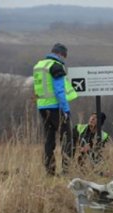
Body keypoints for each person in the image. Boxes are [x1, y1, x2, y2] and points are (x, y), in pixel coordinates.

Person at [33, 43, 78, 175]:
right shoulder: (56, 66)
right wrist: (66, 110)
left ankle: (50, 171)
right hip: (56, 107)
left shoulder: (39, 65)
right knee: (67, 138)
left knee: (49, 140)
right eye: (64, 56)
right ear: (60, 54)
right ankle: (66, 171)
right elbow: (59, 91)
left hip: (42, 107)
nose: (64, 59)